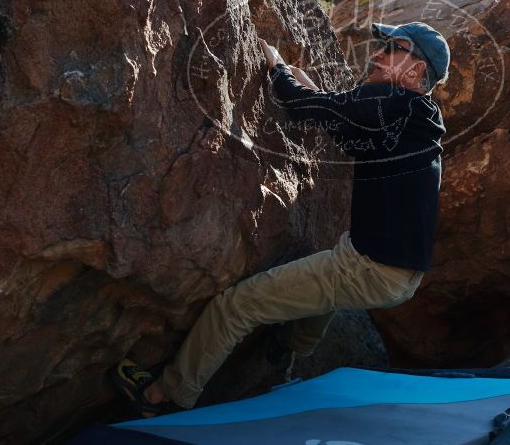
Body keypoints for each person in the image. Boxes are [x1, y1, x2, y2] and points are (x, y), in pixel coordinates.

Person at [110, 22, 449, 417]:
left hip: (368, 268)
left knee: (236, 307)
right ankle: (289, 354)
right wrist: (315, 92)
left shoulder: (389, 101)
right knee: (330, 277)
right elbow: (341, 121)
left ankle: (166, 396)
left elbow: (301, 105)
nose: (377, 54)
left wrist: (277, 68)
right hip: (402, 277)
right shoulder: (418, 116)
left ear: (416, 71)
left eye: (392, 49)